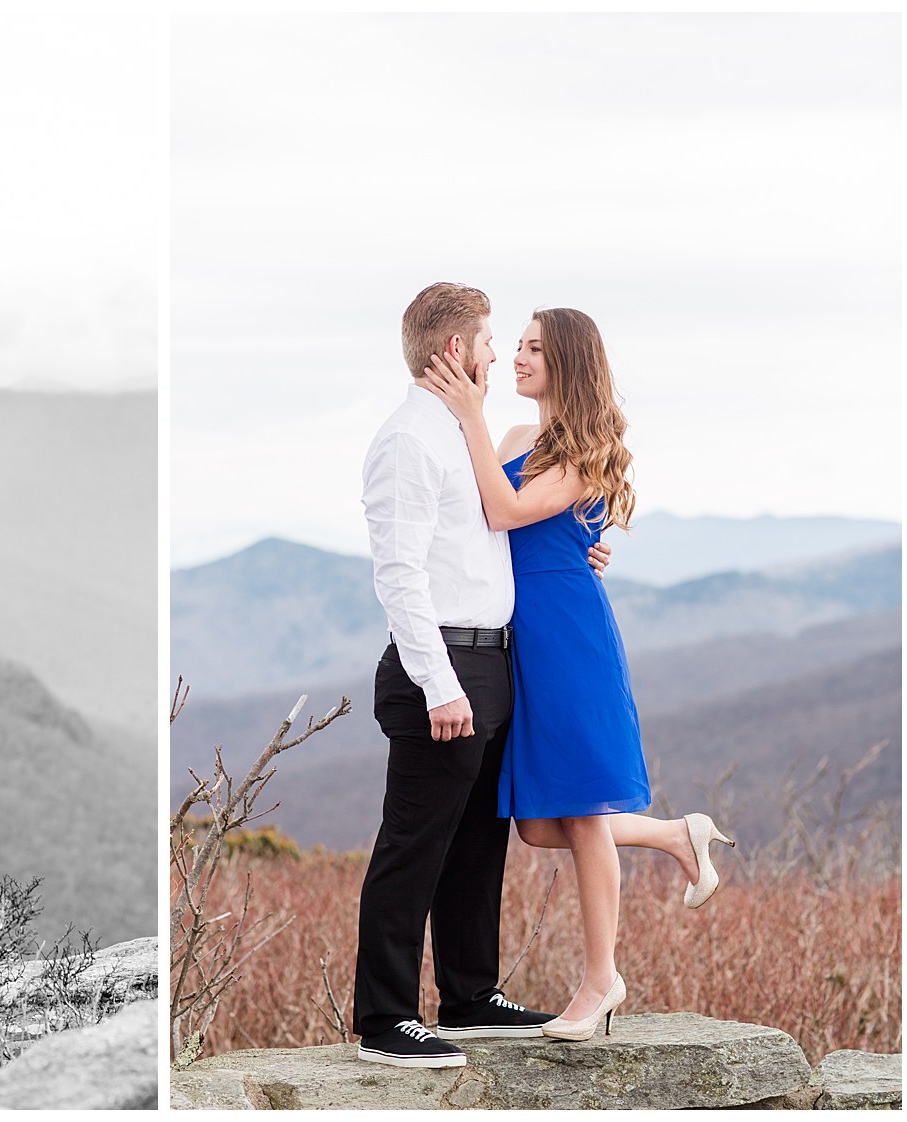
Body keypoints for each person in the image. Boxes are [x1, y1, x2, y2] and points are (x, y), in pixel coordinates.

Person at [421, 306, 734, 1043]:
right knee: (536, 824)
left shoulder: (580, 447)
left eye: (533, 348)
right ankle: (673, 838)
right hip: (519, 637)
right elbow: (479, 521)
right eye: (517, 346)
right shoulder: (517, 436)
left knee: (584, 811)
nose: (518, 358)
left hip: (567, 639)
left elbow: (504, 511)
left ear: (564, 362)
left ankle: (602, 980)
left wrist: (466, 410)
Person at [353, 283, 611, 1069]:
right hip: (444, 663)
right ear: (456, 352)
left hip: (494, 657)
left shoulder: (463, 436)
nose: (500, 356)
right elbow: (399, 574)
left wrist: (583, 547)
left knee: (478, 843)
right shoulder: (409, 441)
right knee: (414, 843)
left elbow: (499, 531)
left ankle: (469, 993)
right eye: (493, 343)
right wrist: (439, 683)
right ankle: (384, 1018)